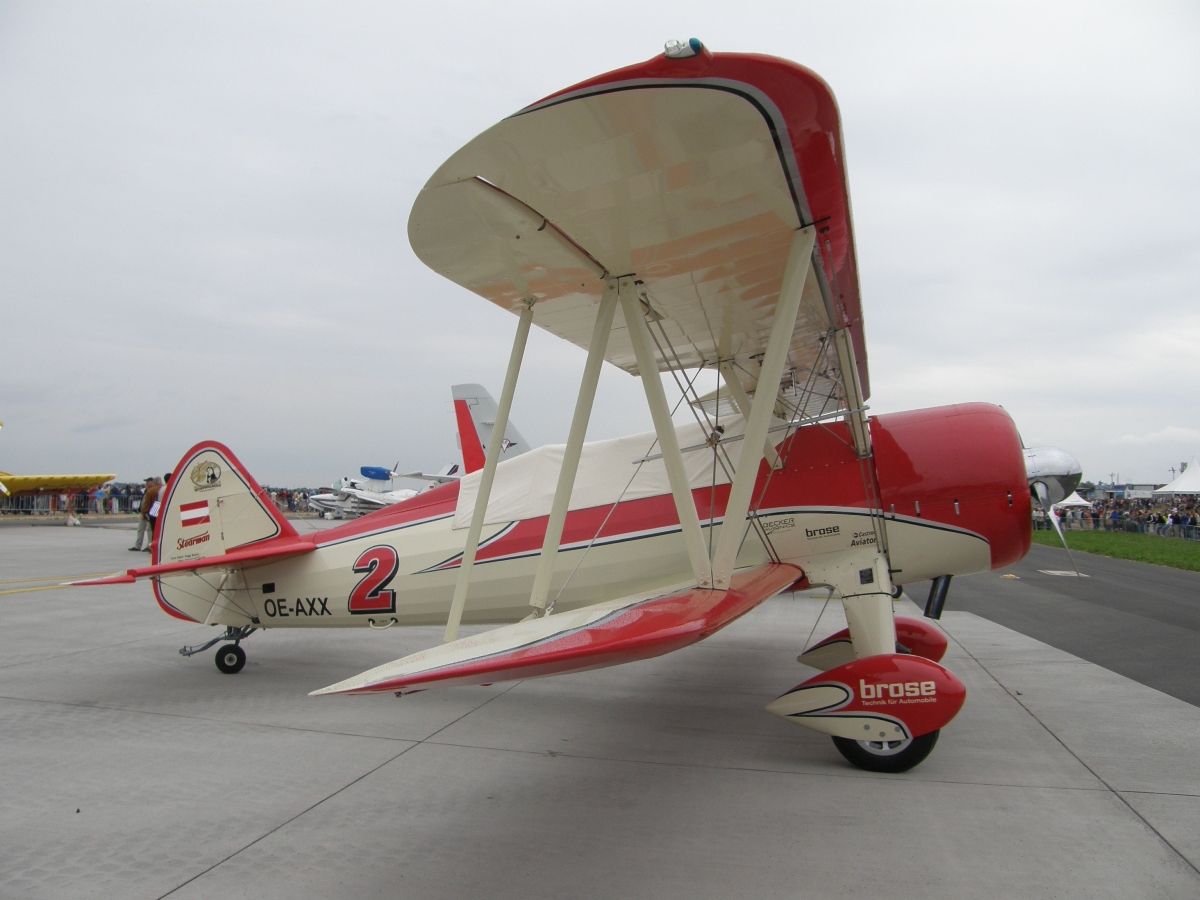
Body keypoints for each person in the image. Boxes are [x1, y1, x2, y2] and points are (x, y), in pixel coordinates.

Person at [129, 477, 159, 551]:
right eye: (146, 482)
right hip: (143, 512)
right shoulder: (146, 491)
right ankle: (138, 545)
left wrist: (148, 512)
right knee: (140, 529)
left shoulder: (154, 491)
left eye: (148, 482)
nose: (147, 483)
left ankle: (149, 546)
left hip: (149, 513)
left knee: (149, 530)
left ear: (152, 482)